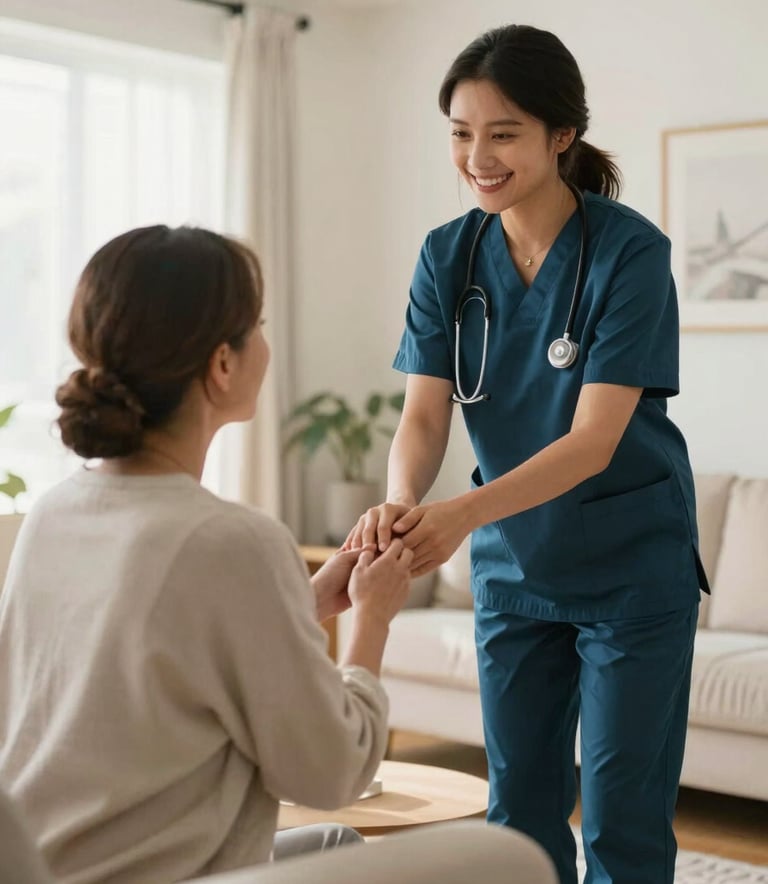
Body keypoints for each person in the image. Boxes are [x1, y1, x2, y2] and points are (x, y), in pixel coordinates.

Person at [346, 24, 708, 884]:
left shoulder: (629, 253)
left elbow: (592, 442)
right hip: (516, 568)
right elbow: (424, 416)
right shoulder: (449, 253)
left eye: (503, 133)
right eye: (461, 133)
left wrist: (458, 514)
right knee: (516, 817)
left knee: (622, 819)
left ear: (561, 135)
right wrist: (402, 500)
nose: (478, 157)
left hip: (630, 571)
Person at [0, 226, 413, 884]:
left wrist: (301, 605)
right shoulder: (232, 543)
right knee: (503, 861)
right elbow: (331, 770)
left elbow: (149, 658)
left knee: (333, 843)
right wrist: (372, 618)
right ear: (223, 365)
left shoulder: (53, 513)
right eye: (259, 325)